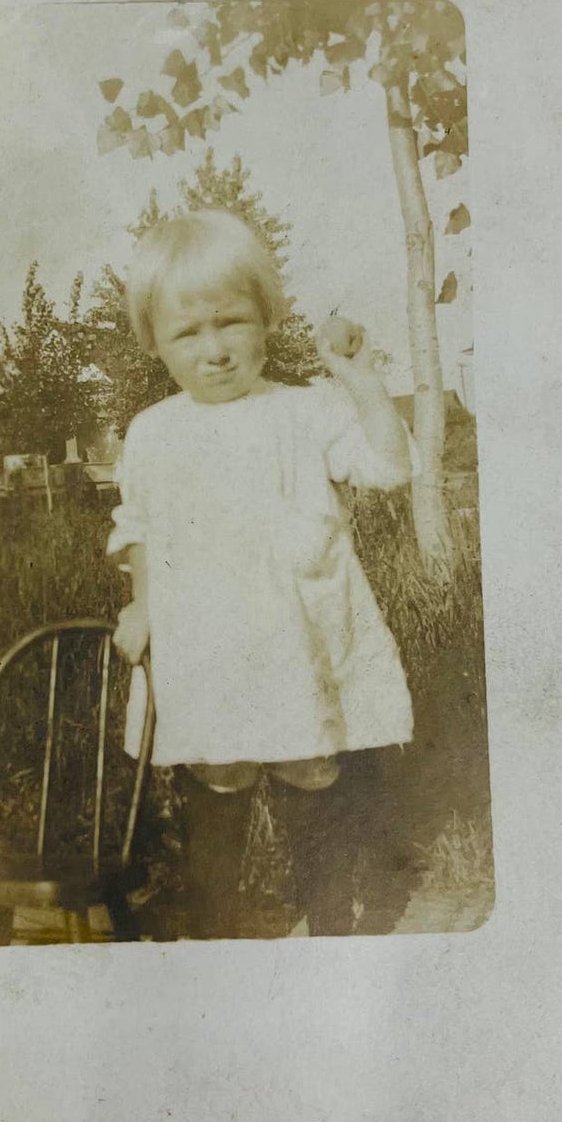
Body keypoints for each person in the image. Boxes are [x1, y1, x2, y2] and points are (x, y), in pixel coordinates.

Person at [107, 208, 416, 938]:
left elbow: (389, 466)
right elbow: (141, 525)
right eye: (188, 332)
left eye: (232, 322)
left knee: (310, 765)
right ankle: (219, 928)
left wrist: (359, 380)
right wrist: (142, 604)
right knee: (218, 770)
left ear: (267, 319)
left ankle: (330, 925)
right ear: (154, 340)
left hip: (293, 629)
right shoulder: (153, 431)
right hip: (207, 636)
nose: (214, 350)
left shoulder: (306, 411)